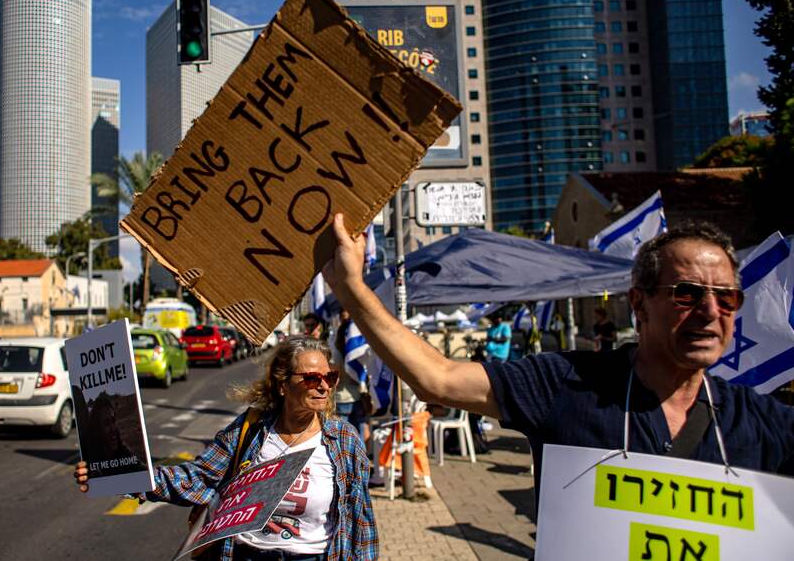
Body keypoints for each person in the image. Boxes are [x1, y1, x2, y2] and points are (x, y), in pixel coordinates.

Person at [323, 215, 794, 505]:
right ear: (640, 302)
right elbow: (439, 379)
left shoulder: (759, 421)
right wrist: (351, 287)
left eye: (727, 298)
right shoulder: (567, 383)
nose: (711, 312)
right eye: (687, 294)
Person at [75, 336, 377, 561]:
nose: (323, 386)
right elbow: (199, 478)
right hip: (247, 555)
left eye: (329, 377)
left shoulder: (344, 441)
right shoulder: (252, 429)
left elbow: (360, 520)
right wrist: (124, 475)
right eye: (311, 378)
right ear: (283, 385)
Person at [332, 309, 369, 443]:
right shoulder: (358, 350)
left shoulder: (335, 353)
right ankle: (362, 463)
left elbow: (335, 377)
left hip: (341, 398)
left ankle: (350, 464)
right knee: (358, 438)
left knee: (344, 440)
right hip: (357, 396)